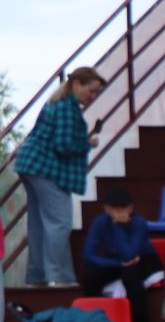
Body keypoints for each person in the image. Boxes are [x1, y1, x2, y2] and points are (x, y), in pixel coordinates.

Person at [15, 67, 104, 287]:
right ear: (76, 84)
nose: (92, 97)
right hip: (46, 168)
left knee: (38, 223)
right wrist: (86, 142)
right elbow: (63, 145)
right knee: (59, 222)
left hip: (30, 164)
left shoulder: (57, 103)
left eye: (96, 93)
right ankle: (58, 276)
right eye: (91, 91)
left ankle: (37, 276)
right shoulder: (67, 108)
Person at [81, 186, 164, 319]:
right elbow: (88, 256)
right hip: (118, 262)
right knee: (91, 276)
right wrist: (118, 263)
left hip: (144, 261)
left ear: (131, 208)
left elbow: (129, 254)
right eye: (114, 207)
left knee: (131, 275)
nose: (119, 211)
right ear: (106, 208)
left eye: (123, 207)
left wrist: (117, 226)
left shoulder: (139, 223)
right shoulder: (100, 222)